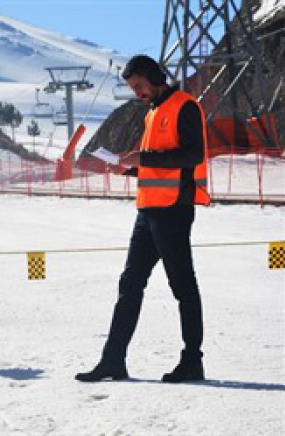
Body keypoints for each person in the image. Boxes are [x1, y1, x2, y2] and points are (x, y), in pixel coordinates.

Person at [76, 55, 210, 383]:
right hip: (147, 211)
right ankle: (112, 361)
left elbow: (193, 155)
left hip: (173, 212)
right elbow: (157, 164)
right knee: (130, 284)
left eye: (139, 86)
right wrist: (128, 167)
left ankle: (192, 361)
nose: (137, 92)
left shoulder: (184, 106)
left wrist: (144, 157)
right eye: (132, 88)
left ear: (153, 76)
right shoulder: (152, 111)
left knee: (183, 287)